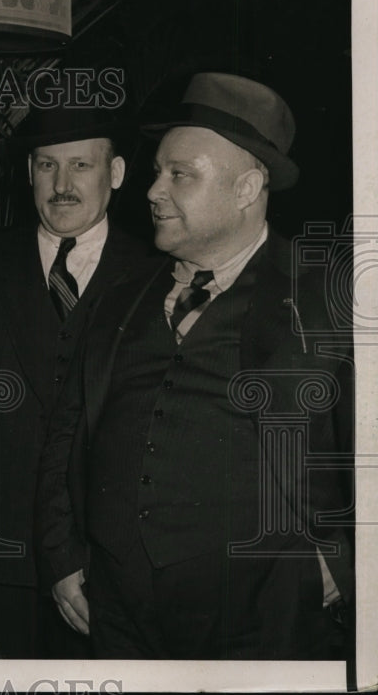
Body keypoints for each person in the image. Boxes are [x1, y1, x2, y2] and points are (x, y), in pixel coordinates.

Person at [34, 72, 354, 659]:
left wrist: (347, 560)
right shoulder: (119, 295)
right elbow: (67, 431)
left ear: (247, 187)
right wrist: (61, 556)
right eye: (158, 171)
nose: (154, 190)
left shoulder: (327, 298)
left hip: (263, 621)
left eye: (180, 174)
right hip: (118, 616)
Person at [0, 106, 148, 658]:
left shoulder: (157, 274)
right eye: (47, 166)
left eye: (81, 165)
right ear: (29, 173)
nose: (62, 185)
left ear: (115, 173)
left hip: (111, 571)